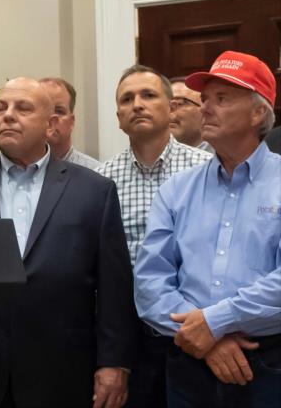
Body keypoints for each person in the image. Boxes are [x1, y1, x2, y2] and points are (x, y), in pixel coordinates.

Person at [0, 77, 137, 408]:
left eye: (23, 108)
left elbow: (115, 284)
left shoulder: (94, 190)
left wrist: (114, 363)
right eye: (1, 108)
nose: (8, 115)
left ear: (51, 124)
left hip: (62, 370)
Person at [135, 50, 280, 408]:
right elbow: (149, 281)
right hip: (188, 361)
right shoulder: (176, 190)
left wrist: (215, 322)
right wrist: (205, 338)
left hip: (268, 361)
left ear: (258, 112)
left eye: (222, 99)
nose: (205, 108)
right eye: (205, 99)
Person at [97, 64, 212, 408]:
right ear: (118, 116)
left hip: (197, 329)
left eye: (148, 95)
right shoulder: (100, 181)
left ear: (171, 107)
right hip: (129, 337)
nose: (137, 105)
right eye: (127, 99)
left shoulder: (206, 169)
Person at [38, 77, 101, 169]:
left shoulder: (97, 173)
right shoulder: (14, 171)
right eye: (42, 110)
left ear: (71, 122)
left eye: (59, 111)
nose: (51, 118)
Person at [169, 77, 213, 152]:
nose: (167, 111)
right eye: (163, 105)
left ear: (204, 110)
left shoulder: (227, 157)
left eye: (179, 103)